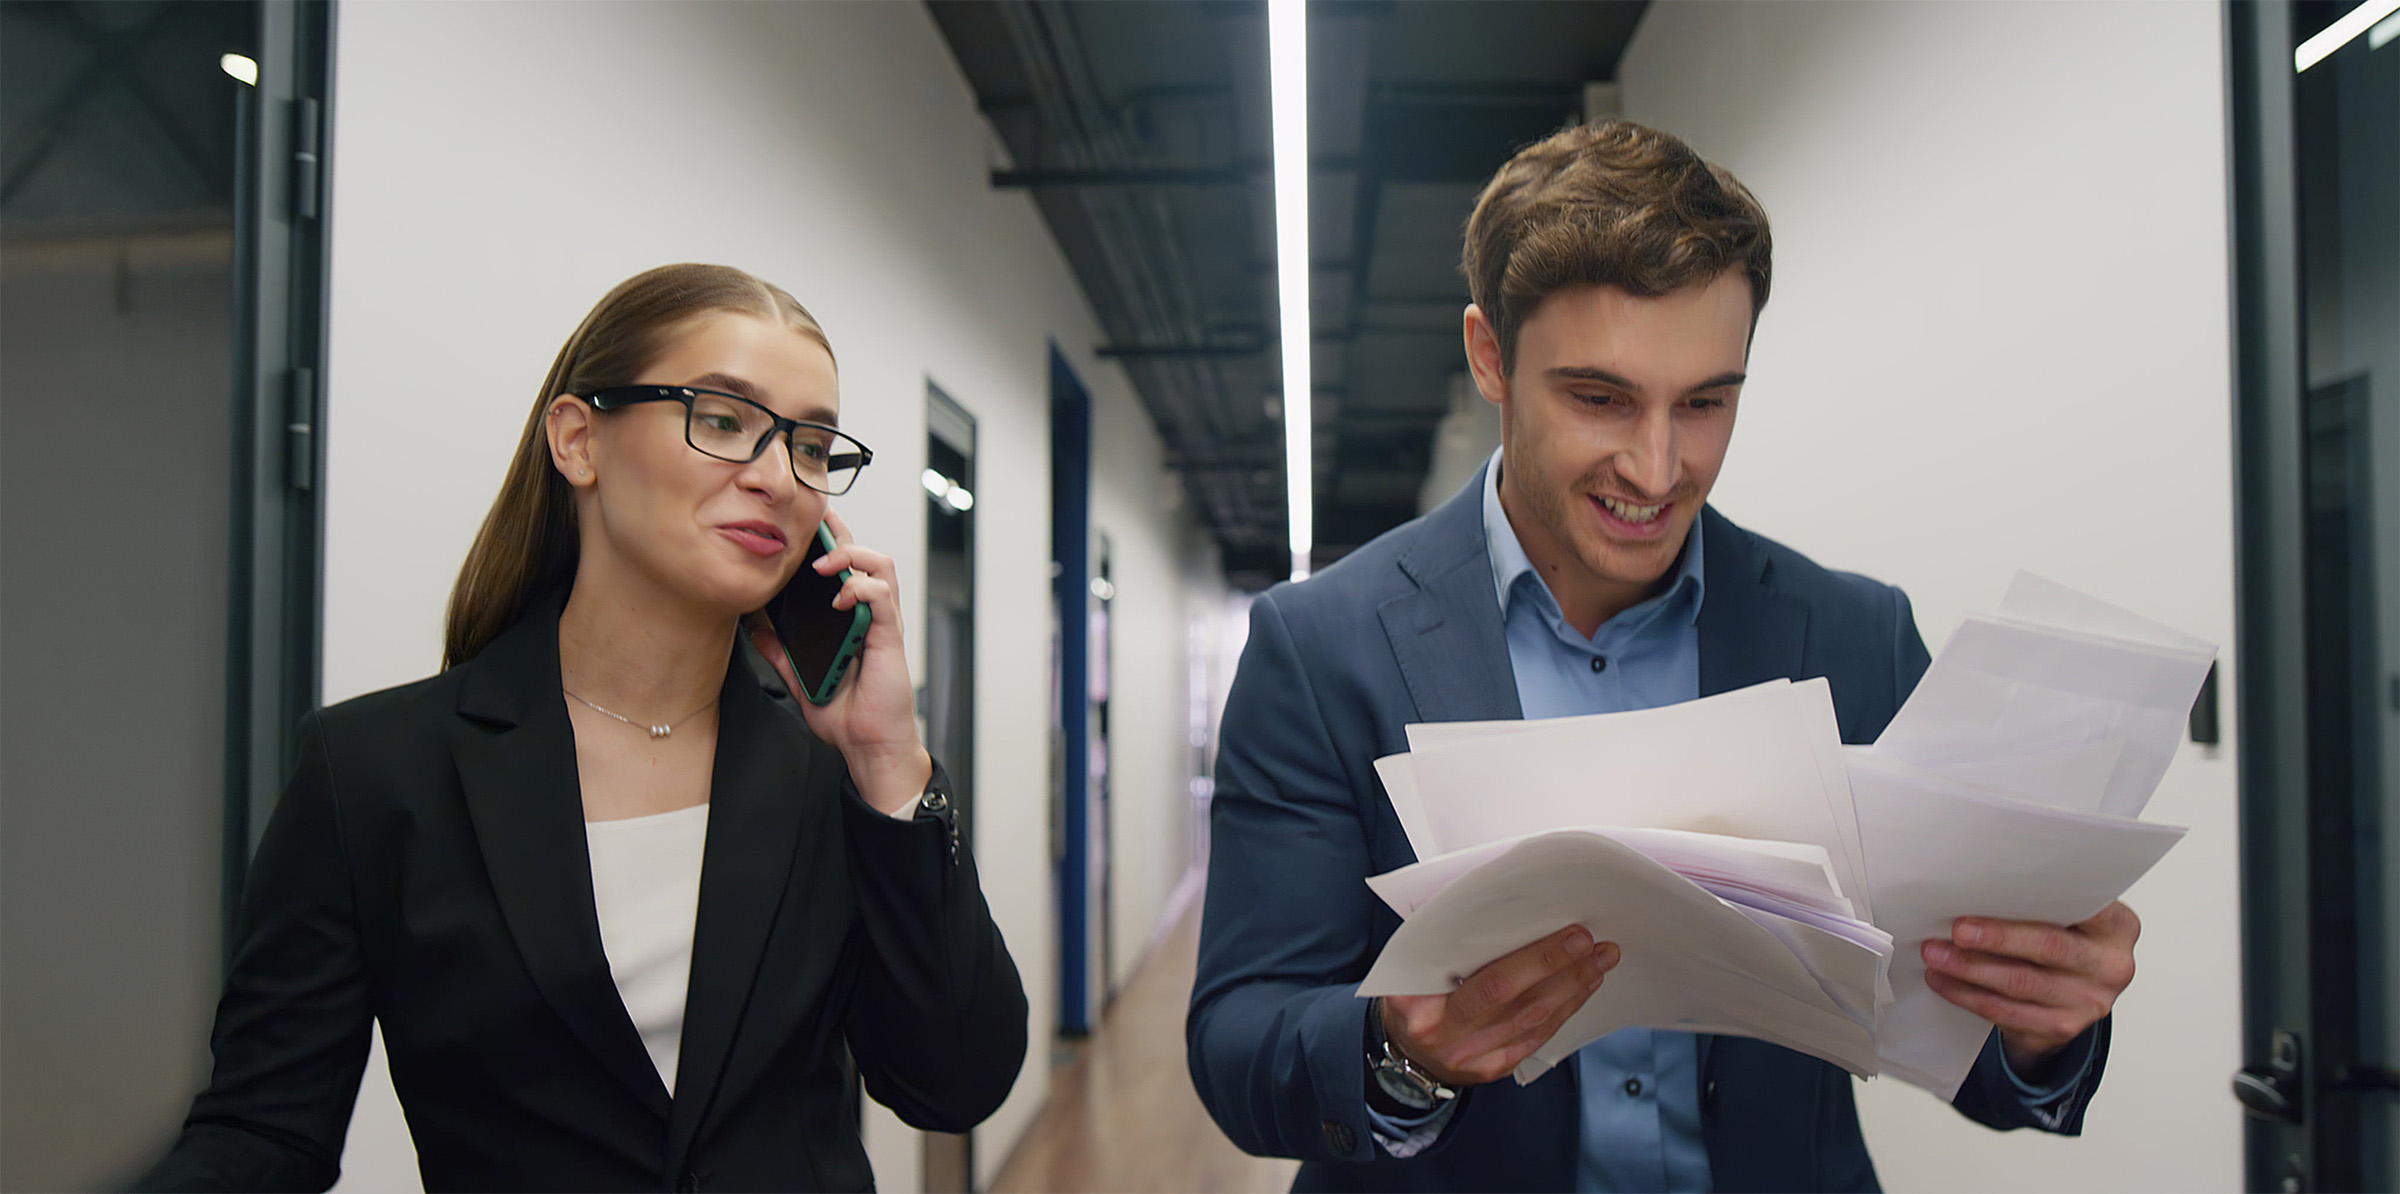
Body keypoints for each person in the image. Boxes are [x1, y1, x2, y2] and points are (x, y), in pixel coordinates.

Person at [1185, 122, 2140, 1192]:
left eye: (1705, 402)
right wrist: (1403, 1055)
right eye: (1599, 398)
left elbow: (1972, 1052)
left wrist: (2042, 1025)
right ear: (1490, 356)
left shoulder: (1855, 637)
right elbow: (1238, 1036)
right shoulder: (1323, 649)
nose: (1657, 466)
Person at [137, 263, 1028, 1192]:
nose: (778, 478)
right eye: (723, 419)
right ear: (577, 439)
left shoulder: (832, 772)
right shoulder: (376, 772)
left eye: (810, 445)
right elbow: (262, 1134)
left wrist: (888, 758)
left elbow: (953, 1082)